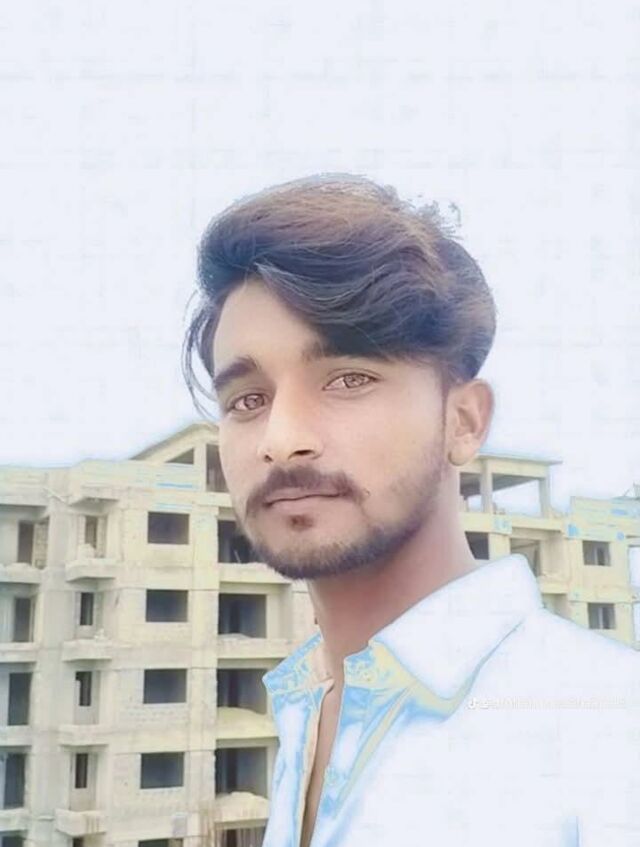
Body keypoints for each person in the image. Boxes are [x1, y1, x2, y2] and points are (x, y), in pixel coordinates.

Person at [183, 174, 640, 847]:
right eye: (247, 400)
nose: (281, 439)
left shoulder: (605, 734)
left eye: (348, 379)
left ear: (464, 420)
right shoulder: (306, 707)